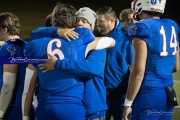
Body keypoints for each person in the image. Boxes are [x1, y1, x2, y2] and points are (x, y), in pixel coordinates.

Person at [23, 3, 115, 120]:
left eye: (85, 21)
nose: (80, 24)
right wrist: (57, 31)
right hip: (73, 106)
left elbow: (91, 67)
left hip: (92, 110)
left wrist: (57, 64)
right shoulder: (80, 39)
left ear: (92, 26)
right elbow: (111, 41)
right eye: (79, 20)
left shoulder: (96, 47)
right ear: (73, 24)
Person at [122, 0, 179, 120]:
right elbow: (175, 66)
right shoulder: (172, 25)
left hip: (149, 95)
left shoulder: (142, 27)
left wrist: (127, 104)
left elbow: (138, 72)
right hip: (168, 94)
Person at [94, 6, 134, 120]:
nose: (97, 24)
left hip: (120, 97)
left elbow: (133, 68)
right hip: (99, 96)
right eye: (97, 21)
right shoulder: (94, 35)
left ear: (111, 20)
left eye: (100, 21)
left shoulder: (126, 38)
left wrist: (128, 100)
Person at [0, 12, 35, 120]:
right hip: (27, 106)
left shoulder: (8, 48)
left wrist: (0, 113)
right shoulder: (28, 45)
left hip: (12, 108)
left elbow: (8, 85)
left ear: (5, 30)